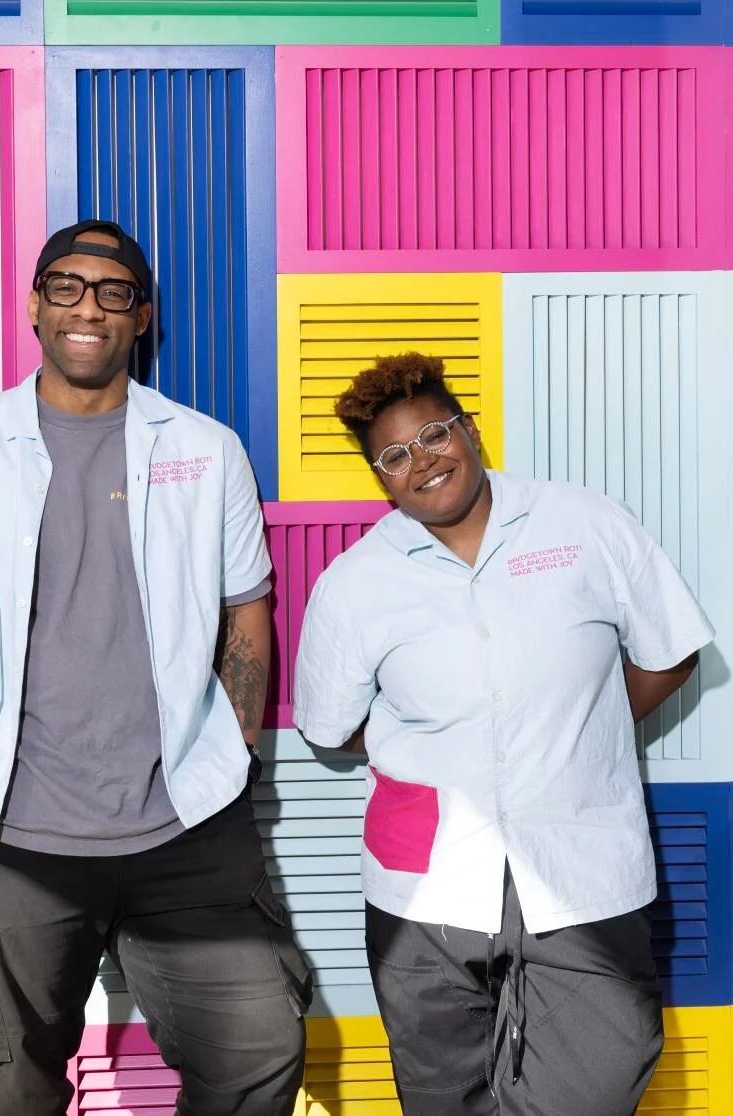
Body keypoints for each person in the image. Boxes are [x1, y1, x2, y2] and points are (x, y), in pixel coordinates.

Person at [0, 219, 311, 1116]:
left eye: (112, 291)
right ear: (35, 305)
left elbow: (243, 609)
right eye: (65, 286)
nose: (87, 307)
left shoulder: (205, 450)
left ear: (141, 318)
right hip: (5, 833)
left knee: (256, 1054)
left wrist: (232, 748)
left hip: (185, 823)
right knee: (12, 1081)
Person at [293, 351, 714, 1116]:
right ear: (379, 477)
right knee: (441, 1096)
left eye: (434, 434)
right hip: (425, 889)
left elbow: (671, 652)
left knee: (599, 1077)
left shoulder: (584, 523)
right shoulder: (354, 584)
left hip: (582, 865)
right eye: (395, 455)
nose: (422, 460)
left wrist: (579, 728)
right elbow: (330, 728)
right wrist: (435, 742)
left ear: (470, 428)